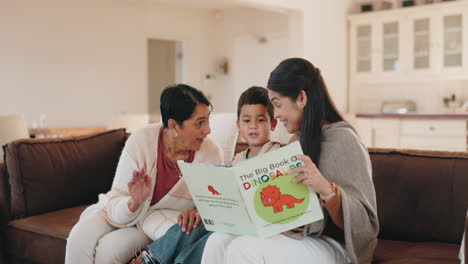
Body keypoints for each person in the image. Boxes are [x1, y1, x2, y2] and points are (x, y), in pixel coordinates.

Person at [202, 58, 379, 264]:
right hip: (303, 237)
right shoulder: (298, 141)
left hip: (339, 247)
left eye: (278, 105)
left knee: (244, 249)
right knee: (218, 240)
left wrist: (325, 188)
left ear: (301, 98)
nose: (276, 114)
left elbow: (365, 225)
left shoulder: (343, 140)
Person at [65, 84, 223, 264]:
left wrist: (197, 212)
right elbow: (117, 201)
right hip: (122, 210)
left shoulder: (211, 153)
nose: (208, 130)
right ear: (174, 125)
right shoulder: (142, 141)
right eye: (199, 123)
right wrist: (134, 201)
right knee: (78, 237)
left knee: (108, 251)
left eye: (208, 120)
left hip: (158, 221)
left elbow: (214, 206)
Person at [127, 86, 280, 264]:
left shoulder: (277, 154)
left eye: (260, 120)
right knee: (194, 222)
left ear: (273, 123)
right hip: (229, 217)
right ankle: (150, 257)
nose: (253, 126)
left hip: (253, 221)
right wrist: (199, 212)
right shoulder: (238, 159)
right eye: (246, 120)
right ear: (238, 125)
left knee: (216, 237)